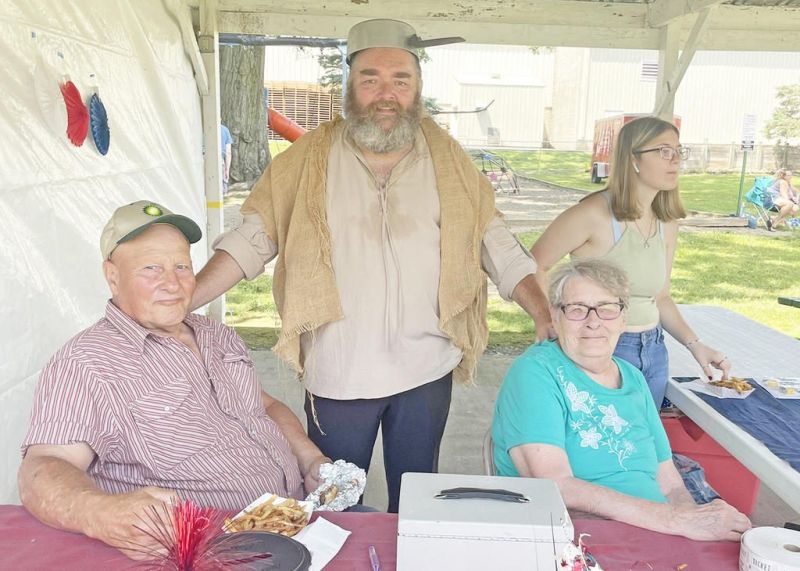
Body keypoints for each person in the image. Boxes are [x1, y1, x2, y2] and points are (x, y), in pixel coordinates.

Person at [191, 19, 551, 513]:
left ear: (417, 88)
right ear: (348, 86)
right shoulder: (306, 160)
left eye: (400, 80)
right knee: (336, 503)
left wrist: (543, 312)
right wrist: (186, 298)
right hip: (339, 371)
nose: (387, 93)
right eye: (371, 78)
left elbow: (497, 243)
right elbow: (252, 239)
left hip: (427, 367)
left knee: (418, 500)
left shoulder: (447, 159)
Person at [18, 200, 331, 560]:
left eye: (182, 266)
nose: (173, 282)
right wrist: (101, 513)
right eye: (151, 268)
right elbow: (42, 467)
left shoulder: (216, 335)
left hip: (295, 522)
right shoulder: (87, 362)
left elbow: (265, 406)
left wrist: (310, 460)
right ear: (113, 275)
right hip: (205, 552)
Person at [492, 259, 751, 541]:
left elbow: (669, 482)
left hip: (657, 531)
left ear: (623, 319)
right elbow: (554, 485)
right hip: (586, 537)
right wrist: (674, 521)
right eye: (577, 309)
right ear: (555, 316)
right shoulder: (536, 373)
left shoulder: (634, 378)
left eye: (607, 309)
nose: (593, 322)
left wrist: (693, 528)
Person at [531, 116, 729, 409]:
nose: (675, 160)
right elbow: (532, 264)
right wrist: (545, 317)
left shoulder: (667, 222)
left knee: (642, 446)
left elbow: (660, 298)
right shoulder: (593, 214)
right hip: (601, 347)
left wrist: (695, 345)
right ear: (633, 158)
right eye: (664, 151)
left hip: (654, 351)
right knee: (599, 446)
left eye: (678, 150)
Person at [221, 123, 233, 194]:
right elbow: (228, 152)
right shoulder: (225, 130)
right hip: (220, 160)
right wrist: (227, 170)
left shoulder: (203, 129)